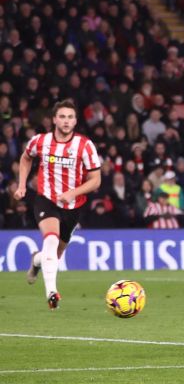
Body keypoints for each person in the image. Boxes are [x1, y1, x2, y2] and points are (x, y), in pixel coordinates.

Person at [17, 100, 102, 309]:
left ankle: (36, 261)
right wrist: (22, 185)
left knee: (53, 254)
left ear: (75, 121)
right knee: (51, 240)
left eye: (70, 117)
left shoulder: (85, 145)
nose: (66, 121)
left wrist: (73, 192)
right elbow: (26, 158)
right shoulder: (40, 141)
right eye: (62, 117)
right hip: (46, 199)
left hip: (73, 205)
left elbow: (95, 180)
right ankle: (52, 293)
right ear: (54, 119)